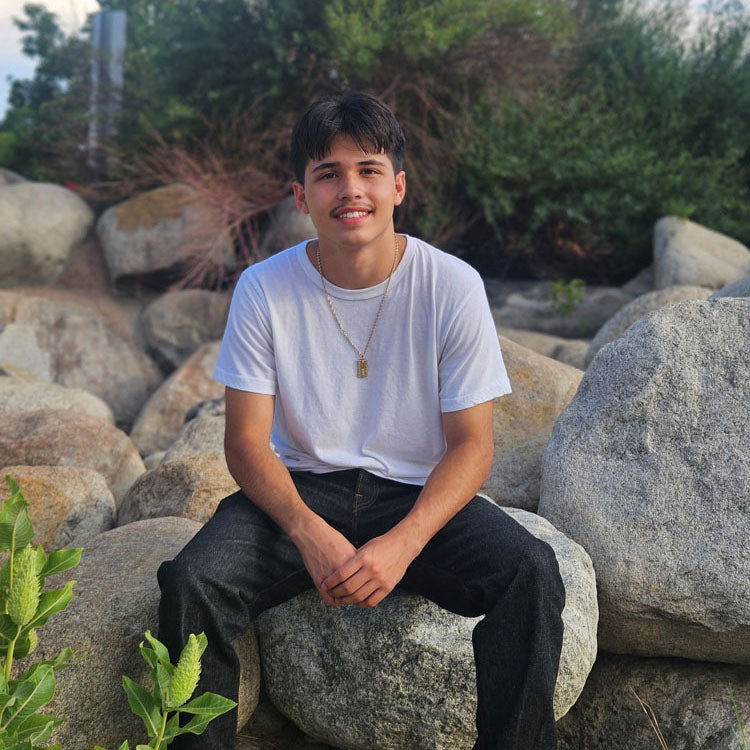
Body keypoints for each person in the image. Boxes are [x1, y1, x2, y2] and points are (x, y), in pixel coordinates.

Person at [157, 91, 565, 750]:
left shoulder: (451, 286)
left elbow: (472, 445)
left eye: (368, 170)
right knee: (191, 582)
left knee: (532, 572)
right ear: (301, 196)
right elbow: (243, 442)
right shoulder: (264, 289)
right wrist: (308, 533)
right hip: (300, 491)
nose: (351, 189)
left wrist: (403, 544)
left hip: (416, 493)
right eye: (328, 174)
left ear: (398, 186)